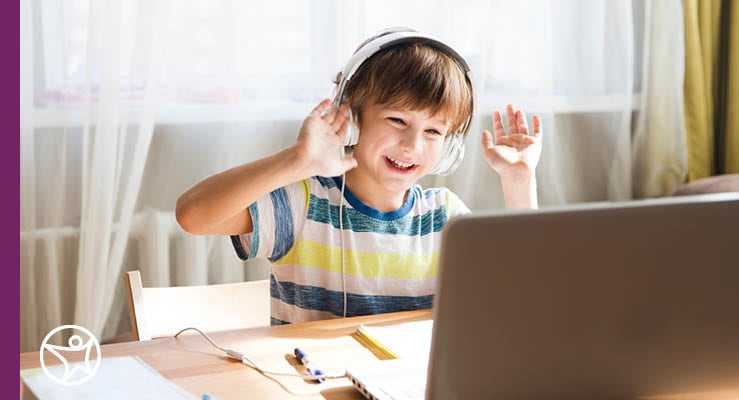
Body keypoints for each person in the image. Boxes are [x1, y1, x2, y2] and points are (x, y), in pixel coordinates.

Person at [175, 28, 542, 324]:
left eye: (433, 132)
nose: (412, 145)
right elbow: (193, 215)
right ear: (351, 120)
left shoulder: (445, 216)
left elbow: (523, 295)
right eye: (397, 120)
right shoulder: (305, 204)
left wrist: (518, 182)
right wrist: (297, 160)